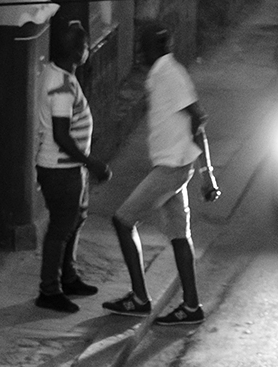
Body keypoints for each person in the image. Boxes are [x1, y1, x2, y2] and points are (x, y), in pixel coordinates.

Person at [103, 21, 208, 326]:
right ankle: (190, 306)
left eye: (141, 46)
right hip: (173, 164)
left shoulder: (168, 74)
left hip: (172, 168)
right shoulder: (164, 73)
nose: (137, 52)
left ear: (155, 47)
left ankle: (139, 298)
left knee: (122, 220)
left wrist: (208, 174)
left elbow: (198, 117)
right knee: (179, 236)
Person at [35, 19, 113, 313]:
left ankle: (68, 277)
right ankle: (49, 290)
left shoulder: (61, 74)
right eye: (85, 45)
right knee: (60, 227)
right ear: (77, 50)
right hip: (60, 167)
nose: (88, 49)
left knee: (75, 220)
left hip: (70, 168)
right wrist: (91, 163)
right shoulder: (61, 86)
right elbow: (60, 134)